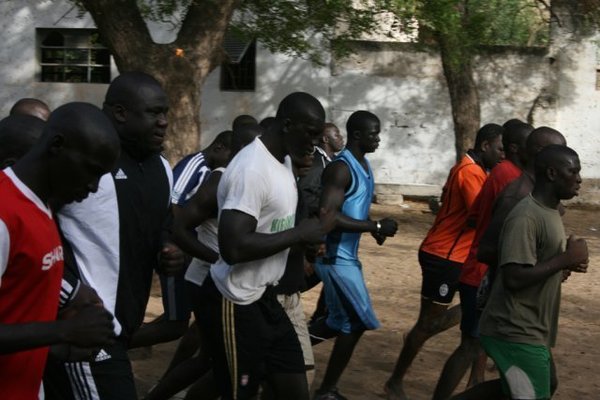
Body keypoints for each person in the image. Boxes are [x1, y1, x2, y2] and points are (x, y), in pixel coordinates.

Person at [52, 72, 184, 400]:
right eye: (154, 113)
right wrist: (70, 294)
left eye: (165, 113)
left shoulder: (162, 168)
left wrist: (168, 249)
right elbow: (42, 234)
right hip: (87, 330)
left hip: (125, 326)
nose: (164, 122)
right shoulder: (83, 163)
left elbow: (159, 228)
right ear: (120, 113)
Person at [200, 92, 335, 400]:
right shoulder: (251, 169)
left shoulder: (284, 160)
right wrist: (299, 235)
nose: (315, 143)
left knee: (295, 389)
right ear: (287, 125)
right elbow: (233, 247)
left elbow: (276, 227)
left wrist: (306, 244)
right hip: (237, 301)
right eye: (311, 134)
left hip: (269, 300)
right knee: (237, 392)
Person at [0, 102, 119, 399]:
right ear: (56, 145)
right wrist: (64, 331)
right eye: (91, 171)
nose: (93, 187)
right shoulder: (4, 213)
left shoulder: (44, 206)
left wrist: (58, 349)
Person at [385, 123, 505, 400]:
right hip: (444, 256)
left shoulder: (478, 170)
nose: (502, 155)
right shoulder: (469, 172)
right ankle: (395, 379)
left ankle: (475, 380)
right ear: (485, 145)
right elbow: (482, 216)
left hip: (463, 257)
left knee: (478, 320)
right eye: (499, 149)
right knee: (429, 323)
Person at [144, 124, 260, 400]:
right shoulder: (212, 173)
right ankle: (116, 347)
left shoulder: (239, 175)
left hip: (214, 274)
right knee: (183, 330)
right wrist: (178, 245)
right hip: (200, 269)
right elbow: (174, 210)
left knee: (202, 346)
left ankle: (163, 388)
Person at [474, 145, 587, 400]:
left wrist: (563, 267)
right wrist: (564, 259)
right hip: (515, 329)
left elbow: (534, 265)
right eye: (573, 171)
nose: (579, 178)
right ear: (552, 173)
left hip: (533, 327)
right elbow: (513, 278)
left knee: (543, 385)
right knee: (534, 394)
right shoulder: (526, 216)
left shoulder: (550, 212)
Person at [432, 120, 533, 399]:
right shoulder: (510, 177)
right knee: (471, 345)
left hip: (480, 269)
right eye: (532, 147)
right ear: (516, 148)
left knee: (480, 345)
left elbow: (476, 215)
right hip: (482, 272)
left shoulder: (501, 173)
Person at [309, 111, 398, 400]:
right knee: (357, 321)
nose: (379, 139)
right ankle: (326, 389)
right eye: (374, 134)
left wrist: (374, 228)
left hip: (347, 259)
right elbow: (328, 217)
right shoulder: (341, 168)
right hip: (334, 259)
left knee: (339, 323)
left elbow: (354, 209)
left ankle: (287, 348)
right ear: (357, 135)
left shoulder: (365, 165)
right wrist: (375, 225)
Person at [134, 130, 234, 356]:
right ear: (218, 148)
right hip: (174, 247)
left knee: (183, 311)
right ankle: (118, 347)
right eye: (231, 157)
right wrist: (180, 243)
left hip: (188, 248)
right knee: (176, 323)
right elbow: (173, 205)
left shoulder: (212, 170)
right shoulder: (196, 165)